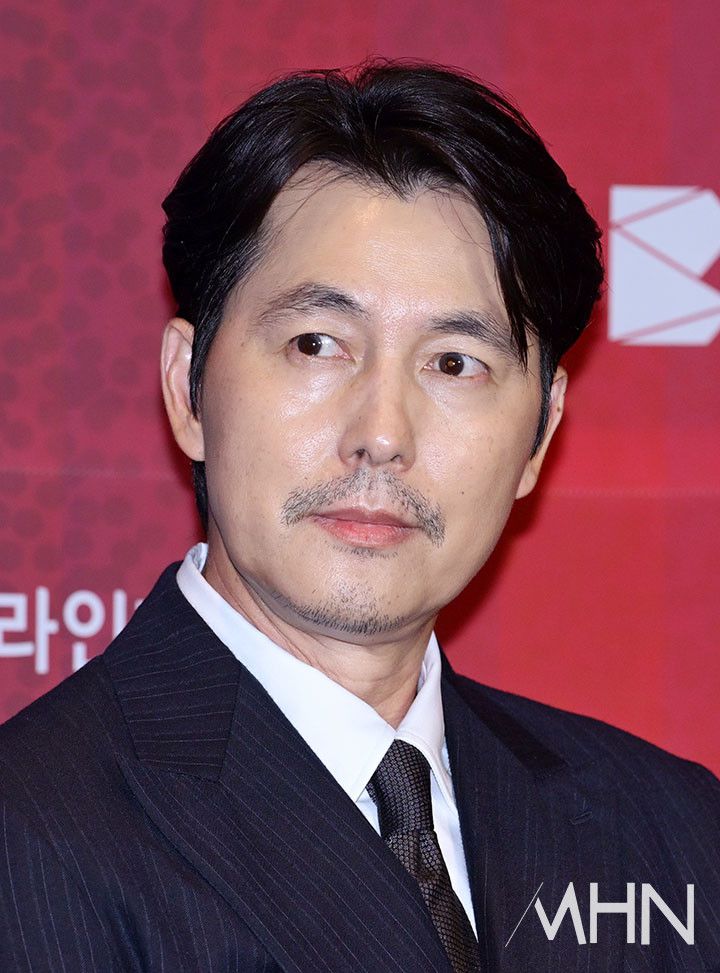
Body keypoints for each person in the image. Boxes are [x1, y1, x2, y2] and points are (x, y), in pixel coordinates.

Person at [1, 59, 718, 973]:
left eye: (454, 363)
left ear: (541, 432)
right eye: (317, 344)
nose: (382, 434)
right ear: (187, 388)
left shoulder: (671, 833)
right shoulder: (31, 830)